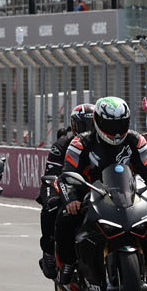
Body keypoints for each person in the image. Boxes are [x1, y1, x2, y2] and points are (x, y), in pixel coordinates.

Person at [55, 97, 147, 283]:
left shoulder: (137, 140)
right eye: (111, 125)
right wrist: (71, 199)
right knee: (65, 217)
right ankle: (67, 263)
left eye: (120, 123)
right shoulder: (80, 143)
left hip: (129, 194)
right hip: (89, 194)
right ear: (97, 121)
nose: (116, 130)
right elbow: (67, 174)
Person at [38, 104, 97, 278]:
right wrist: (68, 196)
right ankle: (49, 252)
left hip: (93, 188)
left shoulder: (100, 143)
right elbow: (54, 175)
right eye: (83, 125)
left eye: (91, 125)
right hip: (62, 184)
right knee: (52, 206)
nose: (88, 130)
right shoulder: (62, 145)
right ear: (73, 125)